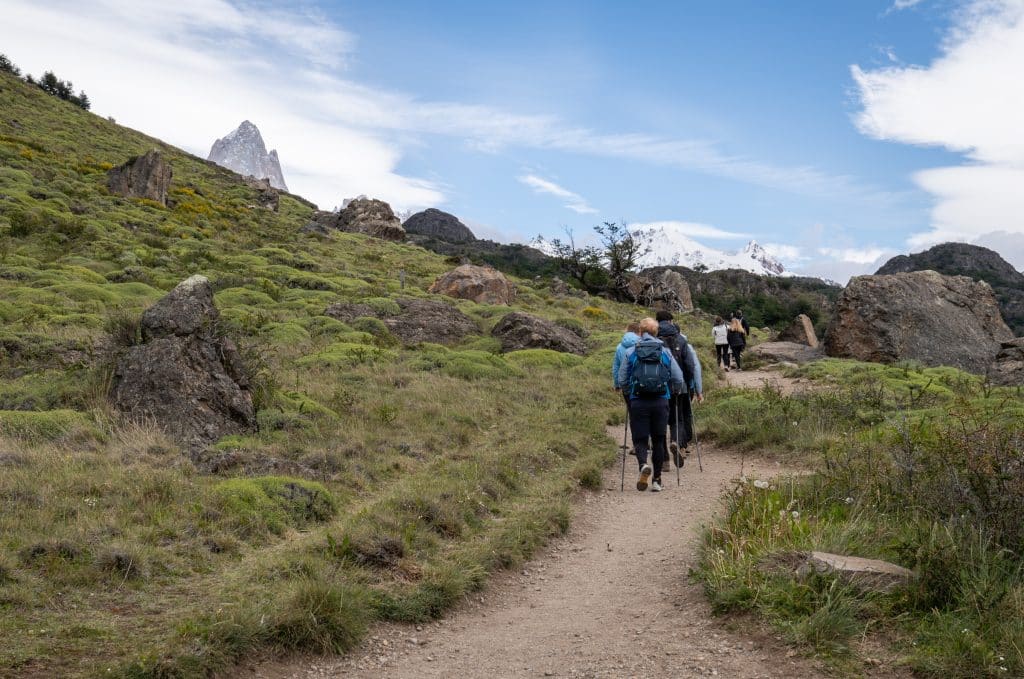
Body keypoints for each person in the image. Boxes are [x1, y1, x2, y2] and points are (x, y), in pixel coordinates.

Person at [617, 317, 685, 492]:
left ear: (640, 332)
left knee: (640, 438)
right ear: (657, 333)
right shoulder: (665, 352)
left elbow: (622, 378)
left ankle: (642, 465)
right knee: (659, 439)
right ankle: (656, 480)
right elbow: (678, 377)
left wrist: (628, 391)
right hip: (661, 400)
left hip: (638, 400)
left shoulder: (631, 351)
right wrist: (675, 392)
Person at [654, 310, 703, 467]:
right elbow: (690, 365)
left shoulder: (652, 338)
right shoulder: (681, 340)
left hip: (657, 387)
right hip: (679, 386)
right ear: (670, 321)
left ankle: (664, 460)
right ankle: (677, 442)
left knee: (659, 421)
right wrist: (690, 384)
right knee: (678, 418)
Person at [612, 321, 641, 407]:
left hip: (627, 384)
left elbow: (616, 367)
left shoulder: (619, 346)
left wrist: (617, 384)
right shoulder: (644, 343)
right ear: (639, 331)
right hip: (642, 383)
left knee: (632, 410)